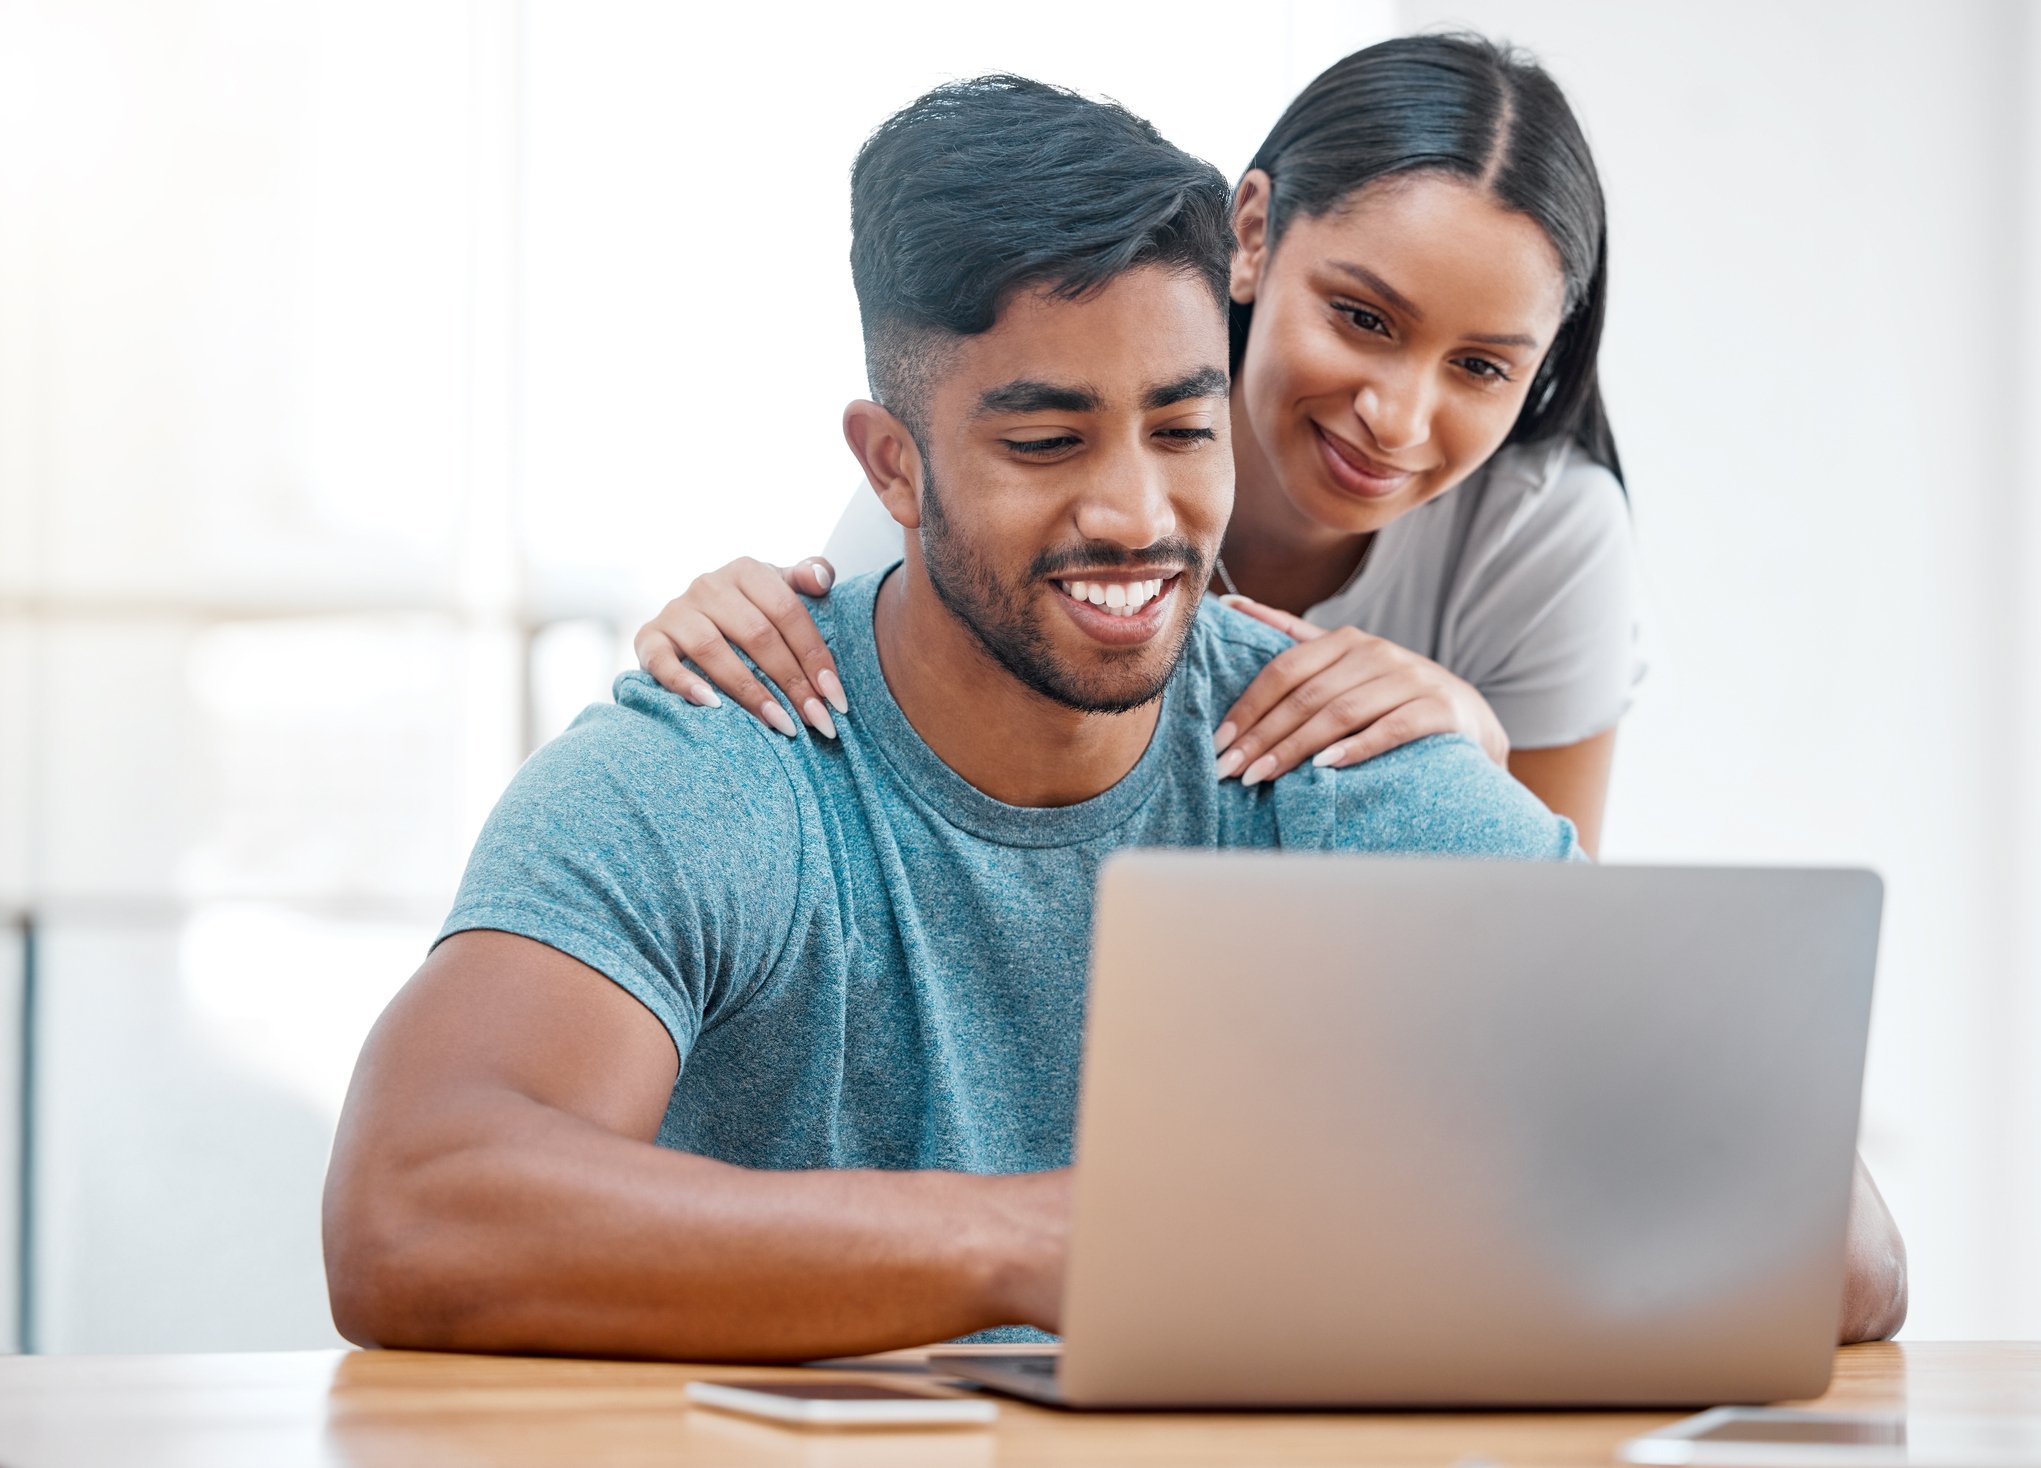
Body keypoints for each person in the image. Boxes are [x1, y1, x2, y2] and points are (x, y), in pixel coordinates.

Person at [322, 75, 1905, 1364]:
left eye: (1179, 427)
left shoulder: (1344, 761)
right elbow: (410, 1212)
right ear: (891, 469)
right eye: (1043, 440)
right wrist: (1044, 1240)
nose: (1134, 513)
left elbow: (1836, 1246)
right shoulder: (729, 755)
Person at [632, 35, 1642, 855]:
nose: (1398, 418)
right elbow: (847, 703)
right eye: (1362, 319)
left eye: (1481, 367)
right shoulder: (1016, 434)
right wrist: (731, 621)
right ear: (1253, 233)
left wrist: (1470, 750)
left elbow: (1547, 950)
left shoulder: (1544, 531)